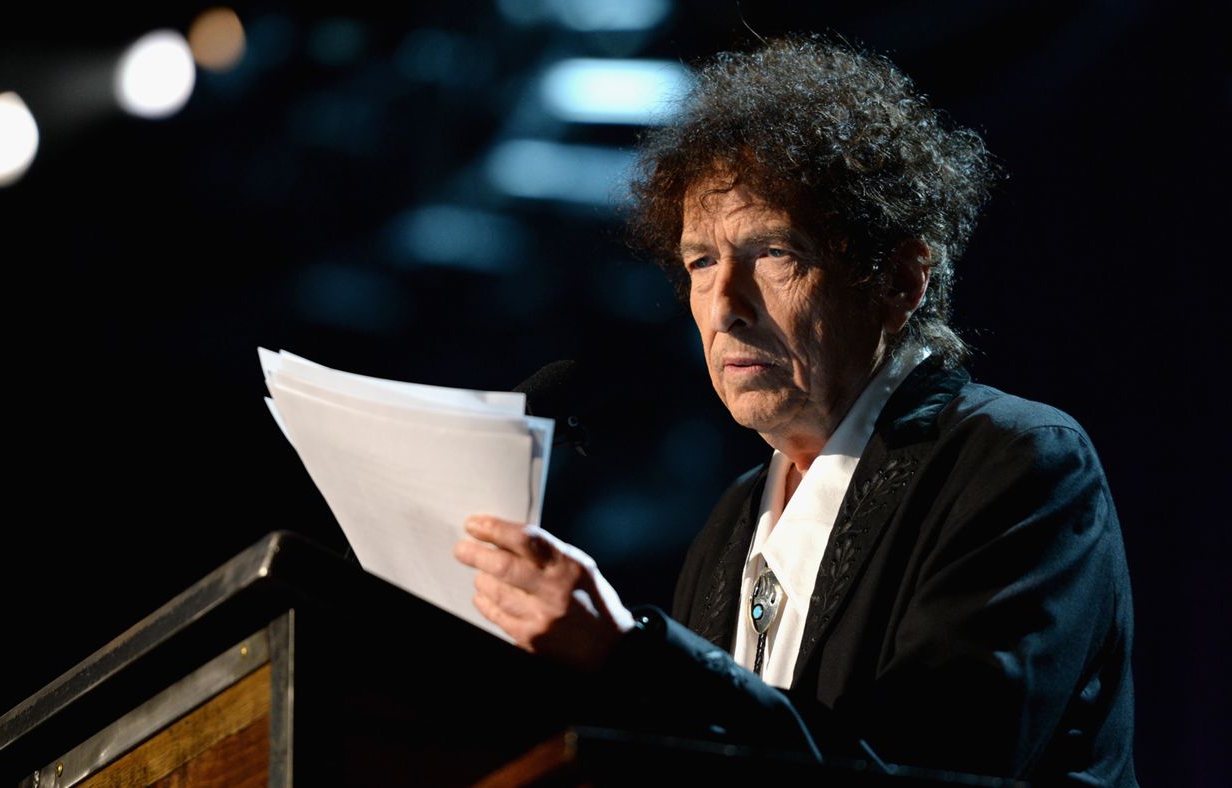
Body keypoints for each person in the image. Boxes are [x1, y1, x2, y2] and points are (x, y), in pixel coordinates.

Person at [453, 35, 1135, 785]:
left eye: (774, 253)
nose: (724, 307)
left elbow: (932, 766)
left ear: (898, 279)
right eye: (700, 262)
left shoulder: (1017, 464)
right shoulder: (734, 517)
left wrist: (632, 653)